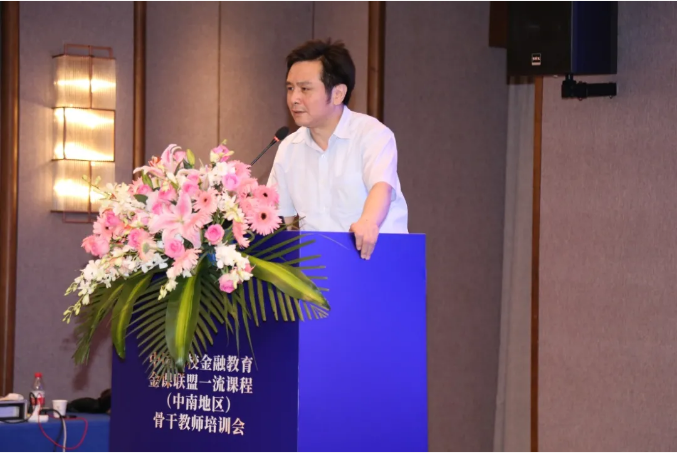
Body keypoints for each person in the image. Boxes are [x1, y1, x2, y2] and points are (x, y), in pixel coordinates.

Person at [267, 38, 408, 260]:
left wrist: (368, 222)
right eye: (290, 88)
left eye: (305, 89)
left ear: (338, 94)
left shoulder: (372, 134)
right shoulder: (288, 149)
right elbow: (278, 218)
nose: (294, 98)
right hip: (317, 269)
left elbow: (381, 187)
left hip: (377, 261)